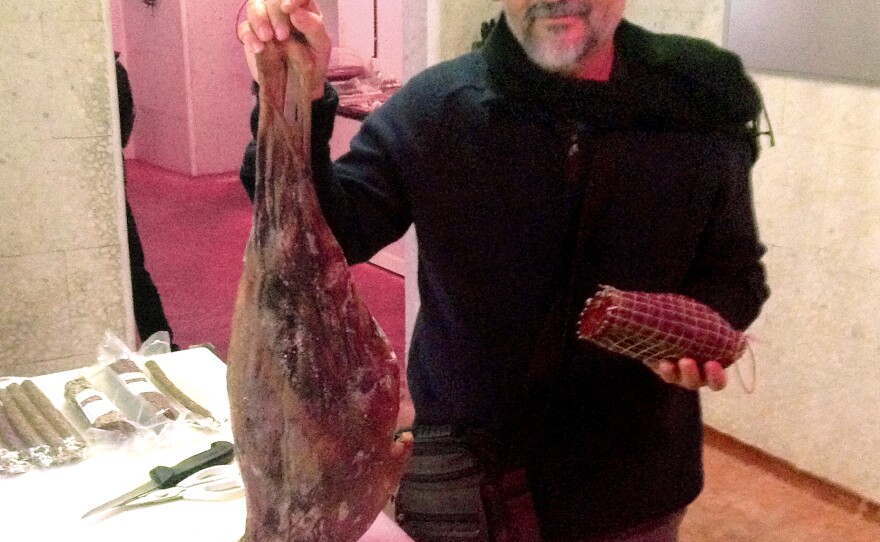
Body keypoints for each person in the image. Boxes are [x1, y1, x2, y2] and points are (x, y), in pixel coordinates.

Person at [237, 1, 770, 540]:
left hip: (631, 480)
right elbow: (325, 235)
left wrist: (701, 329)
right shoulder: (439, 109)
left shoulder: (696, 107)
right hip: (463, 480)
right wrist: (293, 99)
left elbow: (736, 270)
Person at [115, 54, 175, 347]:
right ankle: (162, 344)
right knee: (135, 272)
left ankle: (161, 344)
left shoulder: (112, 73)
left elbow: (119, 133)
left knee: (134, 271)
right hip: (111, 183)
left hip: (110, 185)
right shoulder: (114, 71)